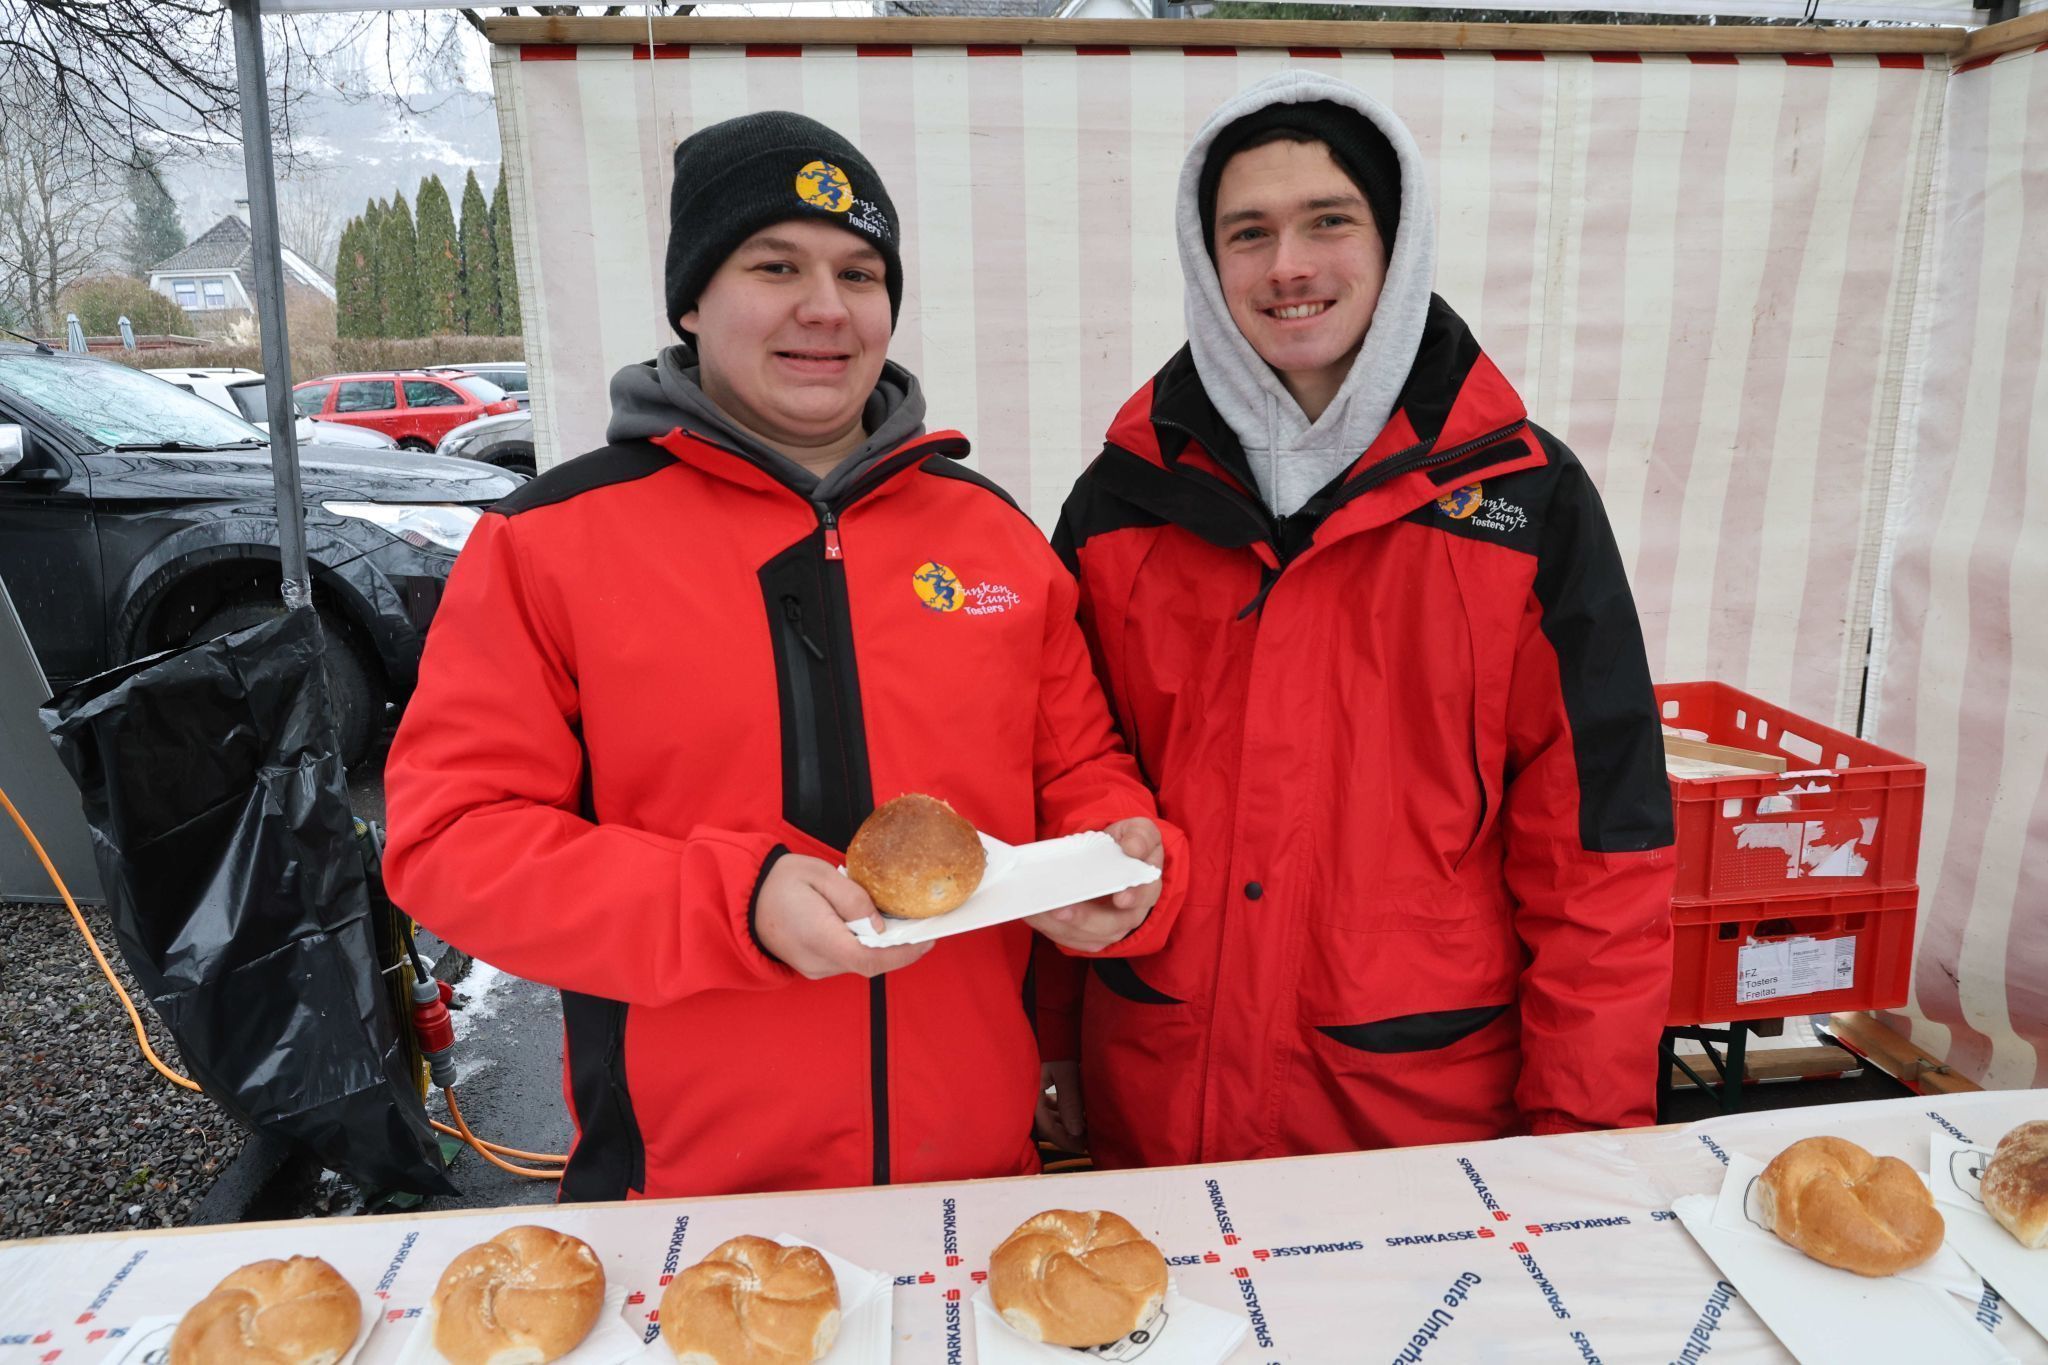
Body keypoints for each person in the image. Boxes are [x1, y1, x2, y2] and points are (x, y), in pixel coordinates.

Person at [383, 111, 1182, 1201]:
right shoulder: (550, 541)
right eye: (775, 265)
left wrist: (1114, 854)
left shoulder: (989, 536)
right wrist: (730, 904)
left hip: (976, 1176)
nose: (825, 307)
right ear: (691, 299)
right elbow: (453, 846)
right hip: (686, 1194)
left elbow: (1076, 770)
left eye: (859, 273)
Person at [1047, 71, 1676, 1168]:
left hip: (1414, 1111)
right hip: (1158, 1096)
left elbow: (1598, 850)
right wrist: (1041, 1046)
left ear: (1395, 239)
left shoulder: (1525, 501)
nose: (1287, 266)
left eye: (1326, 222)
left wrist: (1586, 1136)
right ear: (1206, 264)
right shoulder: (1120, 498)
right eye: (1247, 233)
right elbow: (1059, 788)